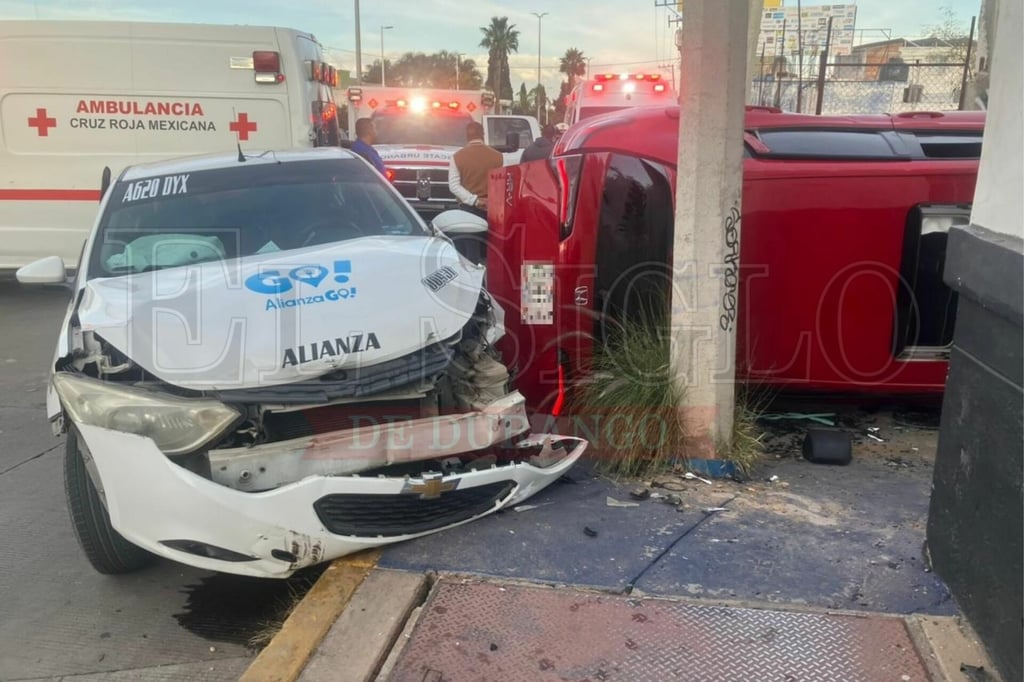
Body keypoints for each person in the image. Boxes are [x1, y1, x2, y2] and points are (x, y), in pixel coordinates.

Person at [448, 121, 503, 217]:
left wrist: (474, 200)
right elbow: (502, 184)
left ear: (467, 136)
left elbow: (454, 185)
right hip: (491, 208)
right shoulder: (499, 156)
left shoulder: (457, 157)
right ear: (483, 135)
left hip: (467, 208)